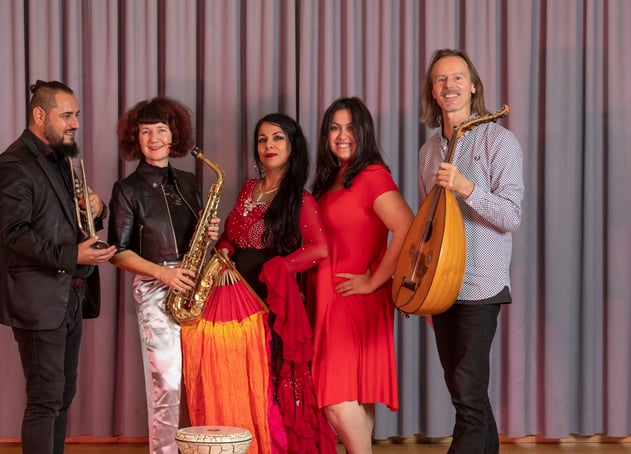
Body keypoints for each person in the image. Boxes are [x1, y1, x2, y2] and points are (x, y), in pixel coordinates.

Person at [0, 80, 117, 454]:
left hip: (69, 297)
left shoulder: (62, 158)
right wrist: (73, 256)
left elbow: (70, 222)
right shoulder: (13, 164)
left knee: (62, 394)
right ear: (40, 115)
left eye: (76, 115)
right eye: (67, 115)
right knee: (45, 400)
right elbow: (14, 235)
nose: (75, 123)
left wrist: (97, 210)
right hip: (38, 299)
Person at [195, 113, 335, 454]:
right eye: (262, 139)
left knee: (272, 377)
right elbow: (231, 234)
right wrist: (224, 248)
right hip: (237, 300)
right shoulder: (248, 188)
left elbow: (319, 248)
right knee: (240, 375)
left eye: (277, 138)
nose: (268, 145)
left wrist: (282, 266)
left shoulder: (300, 199)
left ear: (292, 145)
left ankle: (276, 445)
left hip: (274, 302)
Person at [419, 48, 524, 453]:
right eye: (441, 79)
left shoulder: (501, 141)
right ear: (433, 91)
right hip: (441, 290)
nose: (450, 86)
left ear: (473, 86)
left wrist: (466, 187)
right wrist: (426, 292)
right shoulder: (428, 152)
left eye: (458, 77)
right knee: (468, 395)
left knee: (467, 395)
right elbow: (428, 229)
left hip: (481, 287)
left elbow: (510, 215)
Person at [107, 97, 219, 454]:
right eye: (145, 131)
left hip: (195, 283)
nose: (154, 138)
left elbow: (194, 239)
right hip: (158, 287)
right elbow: (117, 252)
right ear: (135, 138)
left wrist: (209, 232)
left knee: (201, 380)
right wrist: (162, 274)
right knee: (167, 385)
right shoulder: (127, 189)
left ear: (174, 135)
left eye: (161, 130)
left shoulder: (189, 181)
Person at [310, 97, 414, 454]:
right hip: (331, 296)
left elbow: (407, 227)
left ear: (364, 132)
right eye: (334, 128)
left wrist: (374, 280)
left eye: (351, 128)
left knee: (335, 400)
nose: (342, 136)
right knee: (354, 395)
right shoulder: (334, 178)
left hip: (353, 297)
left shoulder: (372, 175)